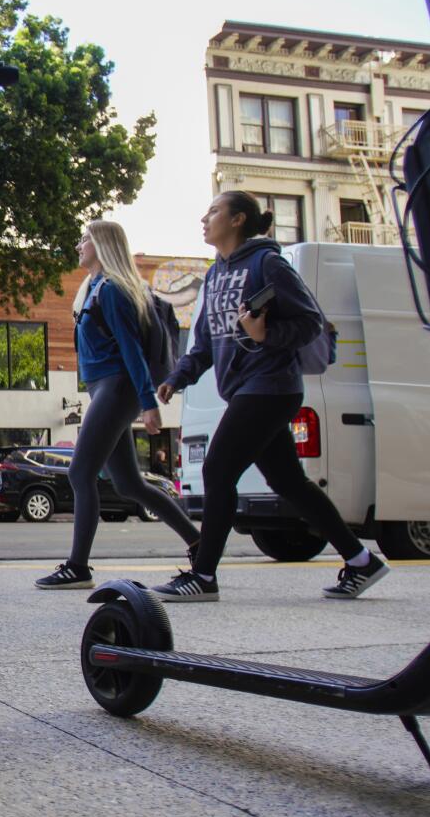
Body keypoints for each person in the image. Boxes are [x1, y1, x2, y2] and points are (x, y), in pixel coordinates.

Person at [153, 191, 388, 601]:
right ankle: (361, 561)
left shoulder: (267, 263)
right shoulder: (214, 275)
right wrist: (178, 377)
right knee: (289, 482)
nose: (204, 219)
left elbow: (311, 322)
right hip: (246, 389)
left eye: (213, 211)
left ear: (238, 219)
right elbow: (205, 344)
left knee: (218, 471)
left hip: (271, 386)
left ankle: (203, 577)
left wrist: (267, 334)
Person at [35, 220, 200, 589]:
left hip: (117, 387)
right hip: (104, 388)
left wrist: (148, 403)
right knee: (129, 484)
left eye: (85, 239)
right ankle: (199, 543)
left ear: (104, 244)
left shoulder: (112, 290)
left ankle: (77, 567)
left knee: (80, 473)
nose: (79, 245)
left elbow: (132, 351)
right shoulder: (92, 288)